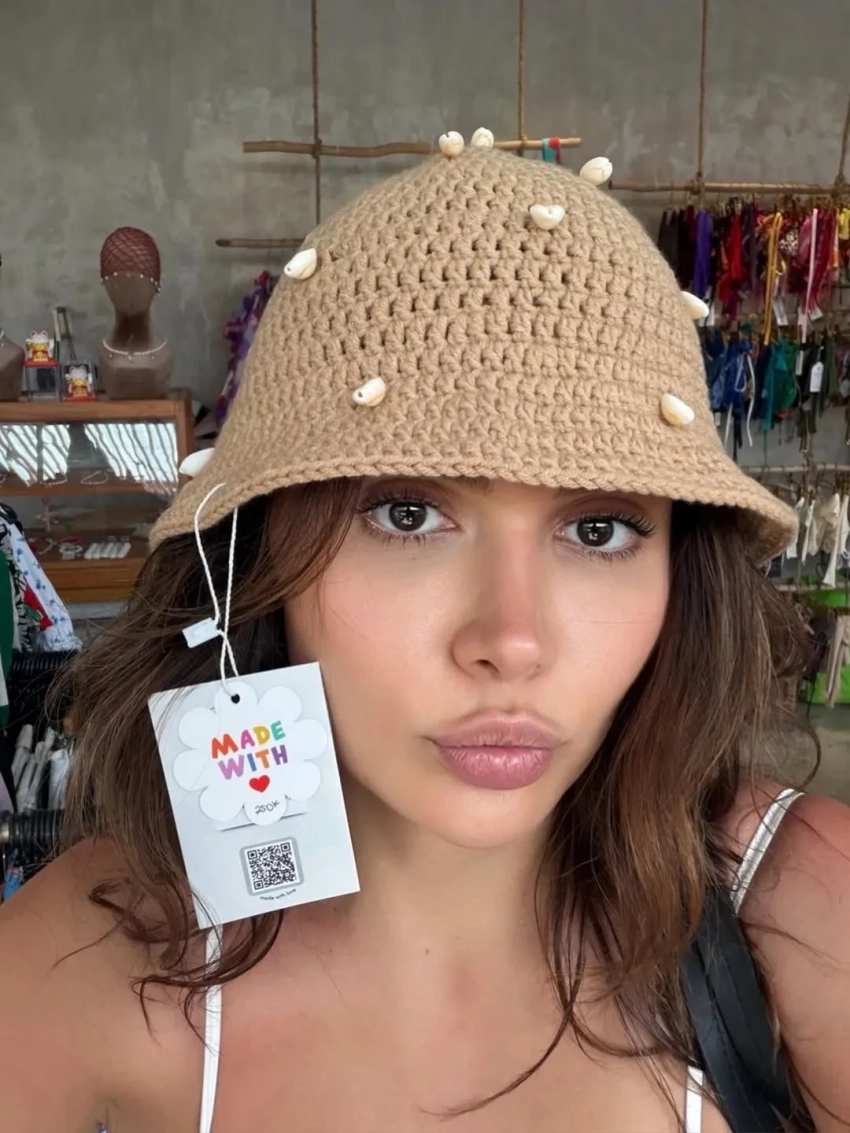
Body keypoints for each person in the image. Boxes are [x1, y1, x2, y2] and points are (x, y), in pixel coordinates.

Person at [1, 133, 849, 1133]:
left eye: (598, 529)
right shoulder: (95, 950)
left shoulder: (799, 907)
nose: (512, 640)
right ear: (257, 554)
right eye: (407, 514)